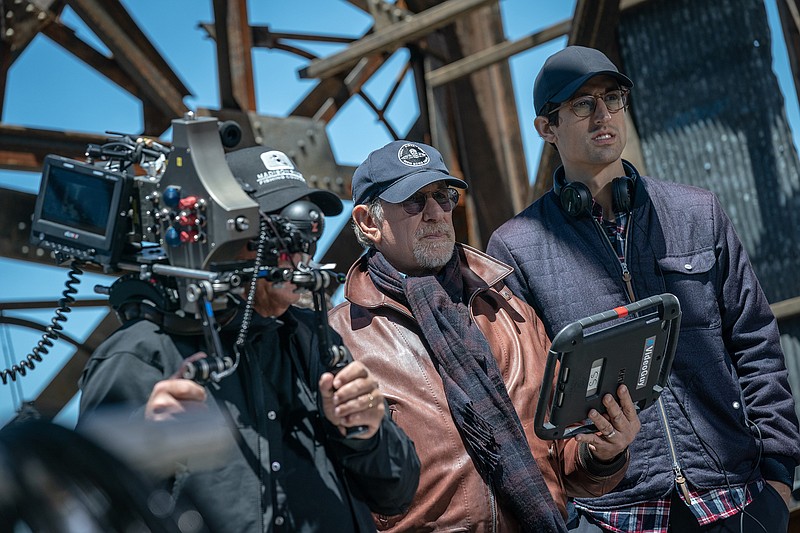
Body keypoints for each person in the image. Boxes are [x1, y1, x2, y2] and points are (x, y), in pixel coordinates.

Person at [487, 45, 800, 532]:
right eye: (582, 105)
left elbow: (756, 343)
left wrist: (778, 480)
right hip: (612, 515)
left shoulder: (698, 214)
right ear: (547, 128)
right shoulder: (515, 249)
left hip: (734, 501)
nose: (603, 116)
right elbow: (528, 400)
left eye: (612, 99)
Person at [78, 145, 421, 533]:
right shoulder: (140, 353)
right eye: (280, 235)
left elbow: (398, 492)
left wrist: (367, 431)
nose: (300, 255)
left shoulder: (314, 339)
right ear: (226, 234)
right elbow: (86, 511)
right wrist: (143, 447)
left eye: (307, 237)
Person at [328, 140, 640, 532]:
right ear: (368, 222)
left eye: (443, 196)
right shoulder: (339, 341)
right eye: (413, 201)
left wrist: (603, 452)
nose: (435, 213)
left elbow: (566, 462)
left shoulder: (512, 312)